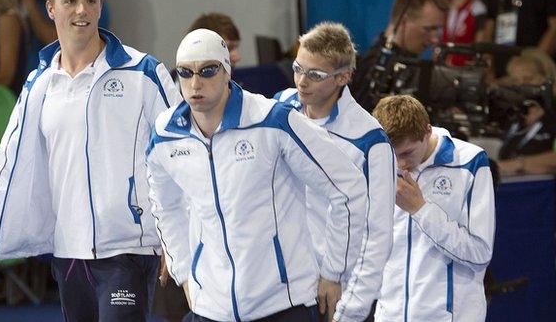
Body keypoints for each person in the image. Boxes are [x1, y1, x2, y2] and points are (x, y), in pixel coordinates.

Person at [0, 0, 181, 321]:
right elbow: (5, 167)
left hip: (129, 250)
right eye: (71, 0)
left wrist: (177, 239)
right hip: (68, 256)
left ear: (101, 7)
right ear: (51, 8)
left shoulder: (144, 72)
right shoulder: (39, 83)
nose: (81, 10)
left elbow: (181, 156)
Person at [146, 28, 368, 322]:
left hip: (283, 303)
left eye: (208, 71)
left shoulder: (271, 121)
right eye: (185, 72)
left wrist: (333, 271)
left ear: (227, 72)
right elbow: (165, 206)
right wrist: (184, 273)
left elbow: (347, 188)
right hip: (210, 307)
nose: (195, 83)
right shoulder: (167, 134)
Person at [274, 22, 395, 322]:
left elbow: (377, 234)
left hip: (337, 290)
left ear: (344, 77)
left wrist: (353, 307)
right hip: (284, 286)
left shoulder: (370, 141)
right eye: (298, 68)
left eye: (314, 75)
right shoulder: (279, 109)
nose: (301, 81)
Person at [371, 95, 495, 321]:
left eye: (407, 153)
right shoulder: (377, 161)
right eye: (392, 155)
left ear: (427, 131)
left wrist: (420, 210)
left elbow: (480, 253)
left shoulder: (470, 162)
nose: (400, 164)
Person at [351, 0, 449, 112]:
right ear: (404, 21)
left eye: (437, 30)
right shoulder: (374, 69)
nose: (435, 39)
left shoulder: (412, 65)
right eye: (428, 29)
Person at [15, 0, 111, 74]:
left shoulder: (93, 7)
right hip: (38, 75)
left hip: (82, 73)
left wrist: (30, 4)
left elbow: (60, 41)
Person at [498, 49, 556, 160]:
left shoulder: (553, 115)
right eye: (515, 81)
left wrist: (515, 166)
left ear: (548, 78)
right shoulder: (512, 114)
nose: (521, 86)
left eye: (528, 79)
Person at [483, 0, 556, 55]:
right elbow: (490, 18)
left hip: (534, 56)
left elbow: (554, 26)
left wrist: (536, 60)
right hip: (500, 53)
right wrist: (487, 54)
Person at [440, 0, 488, 66]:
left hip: (464, 72)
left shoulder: (478, 9)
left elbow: (481, 50)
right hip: (441, 70)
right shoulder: (441, 7)